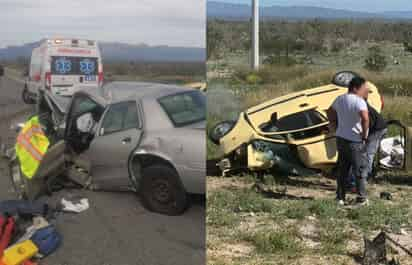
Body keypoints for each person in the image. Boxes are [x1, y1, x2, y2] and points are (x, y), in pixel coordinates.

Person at [327, 76, 369, 206]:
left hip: (341, 138)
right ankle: (361, 198)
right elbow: (365, 118)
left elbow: (329, 112)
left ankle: (340, 197)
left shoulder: (340, 99)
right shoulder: (359, 101)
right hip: (354, 140)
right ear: (356, 88)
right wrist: (364, 135)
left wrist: (334, 125)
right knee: (359, 171)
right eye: (363, 89)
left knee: (343, 170)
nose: (365, 91)